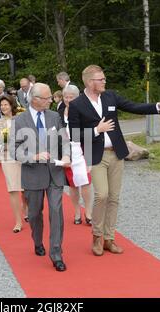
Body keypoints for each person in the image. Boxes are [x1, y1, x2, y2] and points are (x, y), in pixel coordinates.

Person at [68, 65, 160, 256]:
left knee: (114, 197)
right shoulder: (78, 104)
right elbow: (73, 134)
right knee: (101, 195)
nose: (105, 82)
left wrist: (158, 107)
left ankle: (109, 239)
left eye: (104, 78)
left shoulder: (111, 96)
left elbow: (133, 106)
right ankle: (96, 236)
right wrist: (97, 130)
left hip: (117, 153)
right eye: (101, 79)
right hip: (96, 155)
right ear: (89, 82)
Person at [12, 83, 71, 272]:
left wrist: (67, 155)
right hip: (32, 174)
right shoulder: (20, 120)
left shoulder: (54, 116)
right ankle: (37, 241)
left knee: (56, 211)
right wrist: (33, 157)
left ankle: (56, 253)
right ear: (35, 99)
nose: (50, 101)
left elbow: (65, 140)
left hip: (55, 173)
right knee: (35, 214)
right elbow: (14, 150)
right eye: (46, 98)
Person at [0, 95, 28, 233]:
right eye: (1, 105)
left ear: (11, 105)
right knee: (13, 189)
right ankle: (18, 221)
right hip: (7, 158)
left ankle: (26, 209)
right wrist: (1, 147)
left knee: (25, 189)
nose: (3, 107)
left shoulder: (20, 119)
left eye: (6, 105)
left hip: (23, 157)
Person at [60, 85, 93, 225]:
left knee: (85, 182)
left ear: (77, 97)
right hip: (67, 152)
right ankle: (77, 211)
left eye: (71, 97)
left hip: (82, 151)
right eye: (65, 97)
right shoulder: (59, 112)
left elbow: (89, 134)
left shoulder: (84, 111)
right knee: (72, 185)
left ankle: (89, 212)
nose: (68, 100)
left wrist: (90, 157)